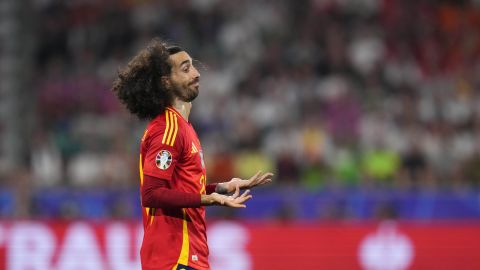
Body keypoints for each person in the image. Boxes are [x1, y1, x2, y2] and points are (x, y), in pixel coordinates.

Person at [111, 38, 273, 270]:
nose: (196, 74)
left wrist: (219, 188)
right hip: (174, 257)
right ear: (166, 82)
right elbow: (152, 193)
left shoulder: (183, 127)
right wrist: (208, 199)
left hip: (188, 257)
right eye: (186, 69)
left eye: (193, 66)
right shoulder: (168, 128)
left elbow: (180, 189)